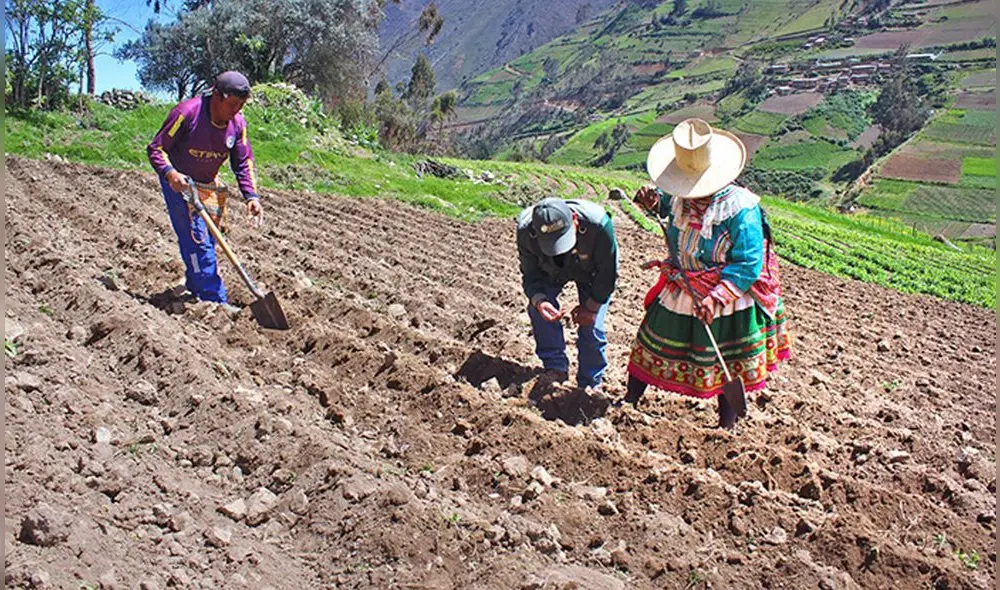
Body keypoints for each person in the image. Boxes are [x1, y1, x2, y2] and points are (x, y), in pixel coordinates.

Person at [624, 118, 790, 428]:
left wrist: (716, 298)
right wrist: (655, 203)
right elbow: (670, 212)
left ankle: (726, 427)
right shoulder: (679, 197)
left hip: (729, 293)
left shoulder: (741, 210)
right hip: (683, 283)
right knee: (650, 341)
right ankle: (628, 402)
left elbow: (748, 262)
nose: (689, 193)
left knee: (727, 358)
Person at [147, 70, 263, 306]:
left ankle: (195, 283)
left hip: (208, 184)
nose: (236, 111)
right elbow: (156, 149)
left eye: (241, 105)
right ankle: (214, 300)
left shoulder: (238, 124)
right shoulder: (187, 113)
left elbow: (243, 161)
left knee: (208, 240)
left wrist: (251, 196)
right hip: (180, 184)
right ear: (217, 96)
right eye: (232, 104)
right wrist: (171, 174)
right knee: (197, 241)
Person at [516, 197, 619, 391]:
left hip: (592, 271)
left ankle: (590, 383)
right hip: (550, 271)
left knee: (592, 326)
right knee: (539, 312)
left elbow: (607, 276)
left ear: (575, 219)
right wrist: (540, 302)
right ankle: (555, 368)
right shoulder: (525, 232)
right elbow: (531, 276)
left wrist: (592, 307)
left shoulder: (599, 225)